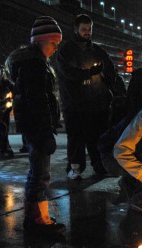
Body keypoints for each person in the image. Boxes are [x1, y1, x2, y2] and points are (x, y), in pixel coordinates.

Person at [6, 16, 65, 235]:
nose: (56, 48)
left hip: (35, 125)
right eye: (53, 43)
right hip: (37, 125)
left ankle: (38, 217)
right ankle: (38, 221)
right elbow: (38, 99)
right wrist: (45, 130)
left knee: (38, 172)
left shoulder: (36, 62)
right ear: (40, 41)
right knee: (40, 174)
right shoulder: (34, 64)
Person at [56, 14, 117, 180]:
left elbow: (110, 71)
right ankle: (75, 167)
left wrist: (109, 83)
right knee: (76, 138)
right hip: (75, 104)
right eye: (83, 29)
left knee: (98, 138)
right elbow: (67, 73)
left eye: (89, 29)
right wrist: (88, 73)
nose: (87, 32)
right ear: (76, 29)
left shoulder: (98, 51)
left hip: (98, 103)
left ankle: (100, 166)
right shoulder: (66, 50)